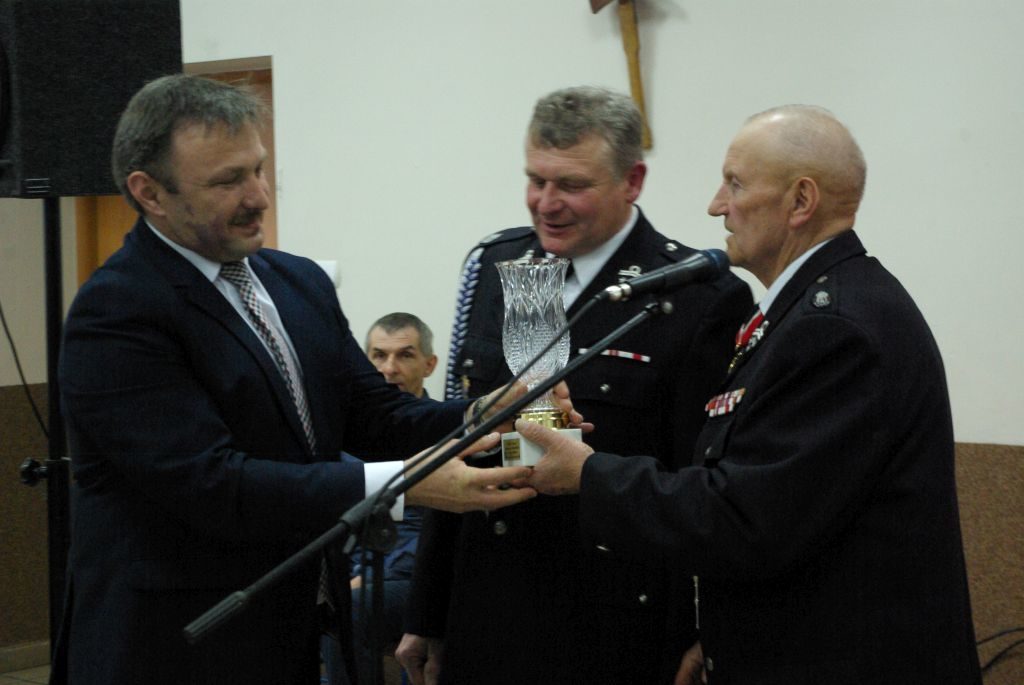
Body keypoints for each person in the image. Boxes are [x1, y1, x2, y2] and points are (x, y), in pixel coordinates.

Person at [52, 74, 579, 685]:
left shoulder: (295, 281)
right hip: (174, 648)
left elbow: (374, 415)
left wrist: (482, 414)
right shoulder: (117, 311)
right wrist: (404, 485)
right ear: (149, 193)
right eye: (227, 181)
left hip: (289, 630)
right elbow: (211, 484)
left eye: (259, 169)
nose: (258, 196)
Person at [520, 105, 983, 684]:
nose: (716, 205)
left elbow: (746, 518)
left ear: (800, 201)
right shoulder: (812, 309)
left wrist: (588, 474)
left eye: (735, 184)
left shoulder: (835, 327)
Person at [398, 86, 753, 685]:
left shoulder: (695, 295)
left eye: (572, 185)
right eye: (535, 180)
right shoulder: (505, 267)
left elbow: (702, 486)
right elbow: (464, 443)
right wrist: (427, 610)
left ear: (632, 181)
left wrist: (701, 628)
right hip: (490, 604)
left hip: (613, 614)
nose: (547, 203)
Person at [323, 313, 439, 685]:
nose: (389, 368)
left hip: (417, 580)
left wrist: (364, 580)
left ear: (429, 364)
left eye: (405, 355)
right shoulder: (345, 436)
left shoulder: (443, 435)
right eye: (378, 356)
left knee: (351, 607)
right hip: (350, 573)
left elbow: (431, 536)